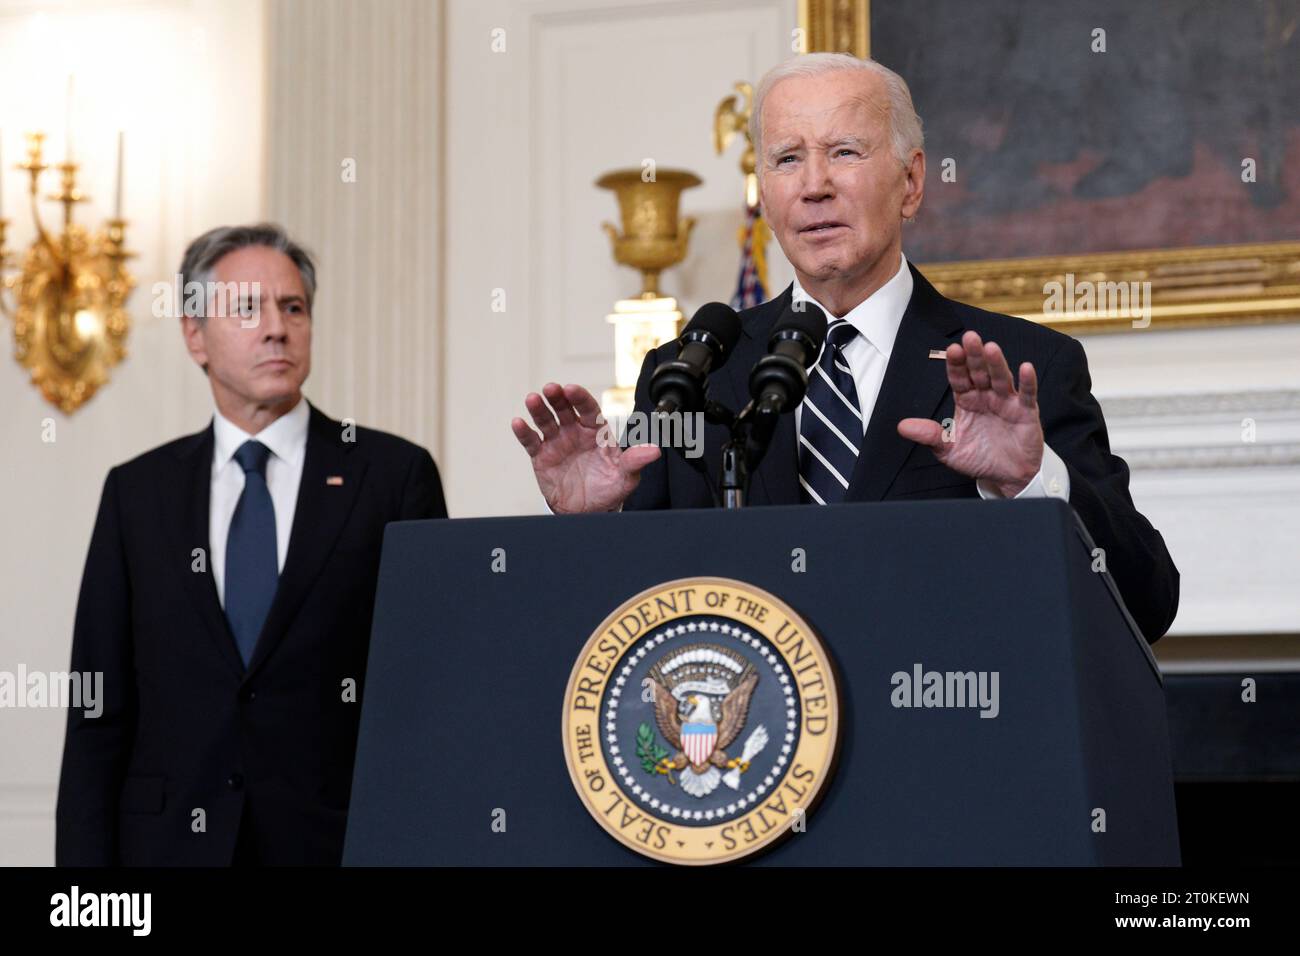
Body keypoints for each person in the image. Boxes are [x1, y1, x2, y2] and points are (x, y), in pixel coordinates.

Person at [511, 53, 1178, 643]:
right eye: (787, 159)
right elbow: (635, 618)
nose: (814, 185)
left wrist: (1031, 481)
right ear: (766, 198)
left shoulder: (1022, 366)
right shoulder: (692, 371)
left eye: (846, 152)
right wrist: (593, 526)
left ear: (912, 182)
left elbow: (1145, 602)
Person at [56, 223, 447, 865]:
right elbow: (96, 715)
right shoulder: (137, 494)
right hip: (165, 851)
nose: (276, 328)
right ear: (194, 336)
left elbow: (429, 694)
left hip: (336, 847)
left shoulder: (392, 476)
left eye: (293, 307)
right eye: (247, 308)